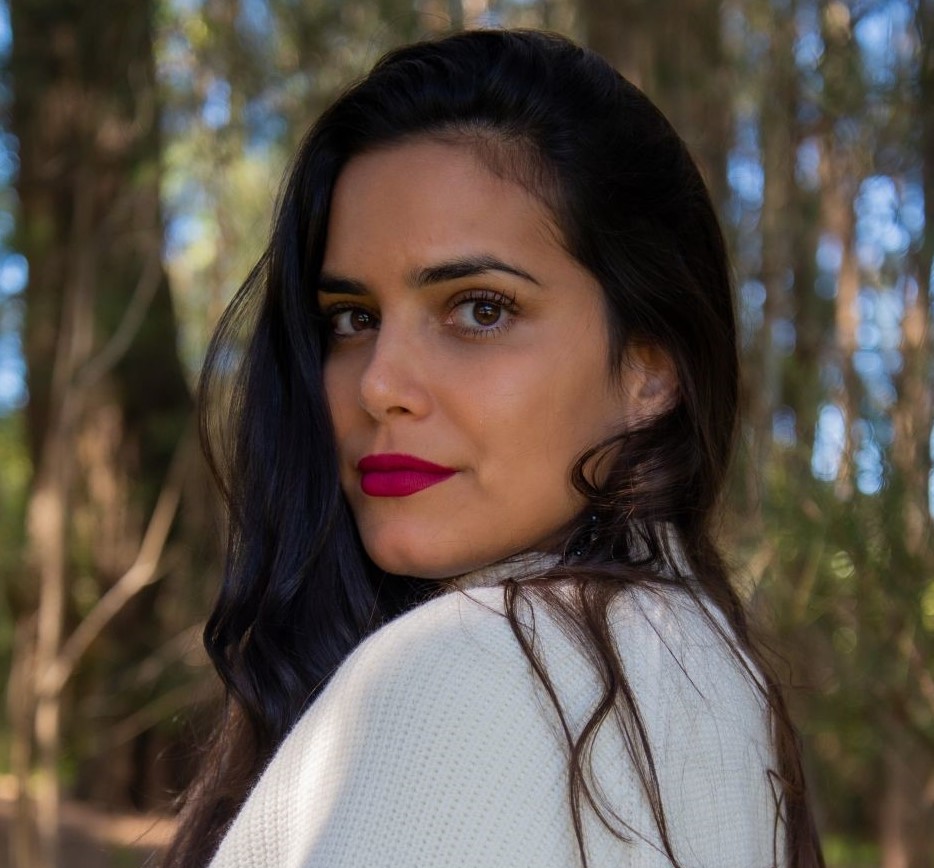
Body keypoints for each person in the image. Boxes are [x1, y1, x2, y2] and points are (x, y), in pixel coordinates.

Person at [162, 28, 825, 868]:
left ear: (650, 370)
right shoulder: (707, 669)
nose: (379, 385)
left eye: (480, 309)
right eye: (352, 319)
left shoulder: (472, 665)